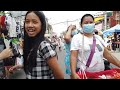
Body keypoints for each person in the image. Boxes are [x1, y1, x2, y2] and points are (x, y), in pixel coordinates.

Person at [70, 14, 120, 79]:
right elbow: (73, 56)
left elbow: (108, 55)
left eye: (91, 22)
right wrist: (73, 73)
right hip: (85, 75)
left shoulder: (98, 38)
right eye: (86, 23)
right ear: (81, 25)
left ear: (94, 24)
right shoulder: (77, 38)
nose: (89, 24)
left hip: (101, 74)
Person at [23, 11, 64, 79]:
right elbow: (37, 63)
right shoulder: (31, 44)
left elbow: (60, 76)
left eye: (34, 22)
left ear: (42, 25)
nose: (30, 25)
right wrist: (20, 66)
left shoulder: (44, 46)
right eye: (27, 21)